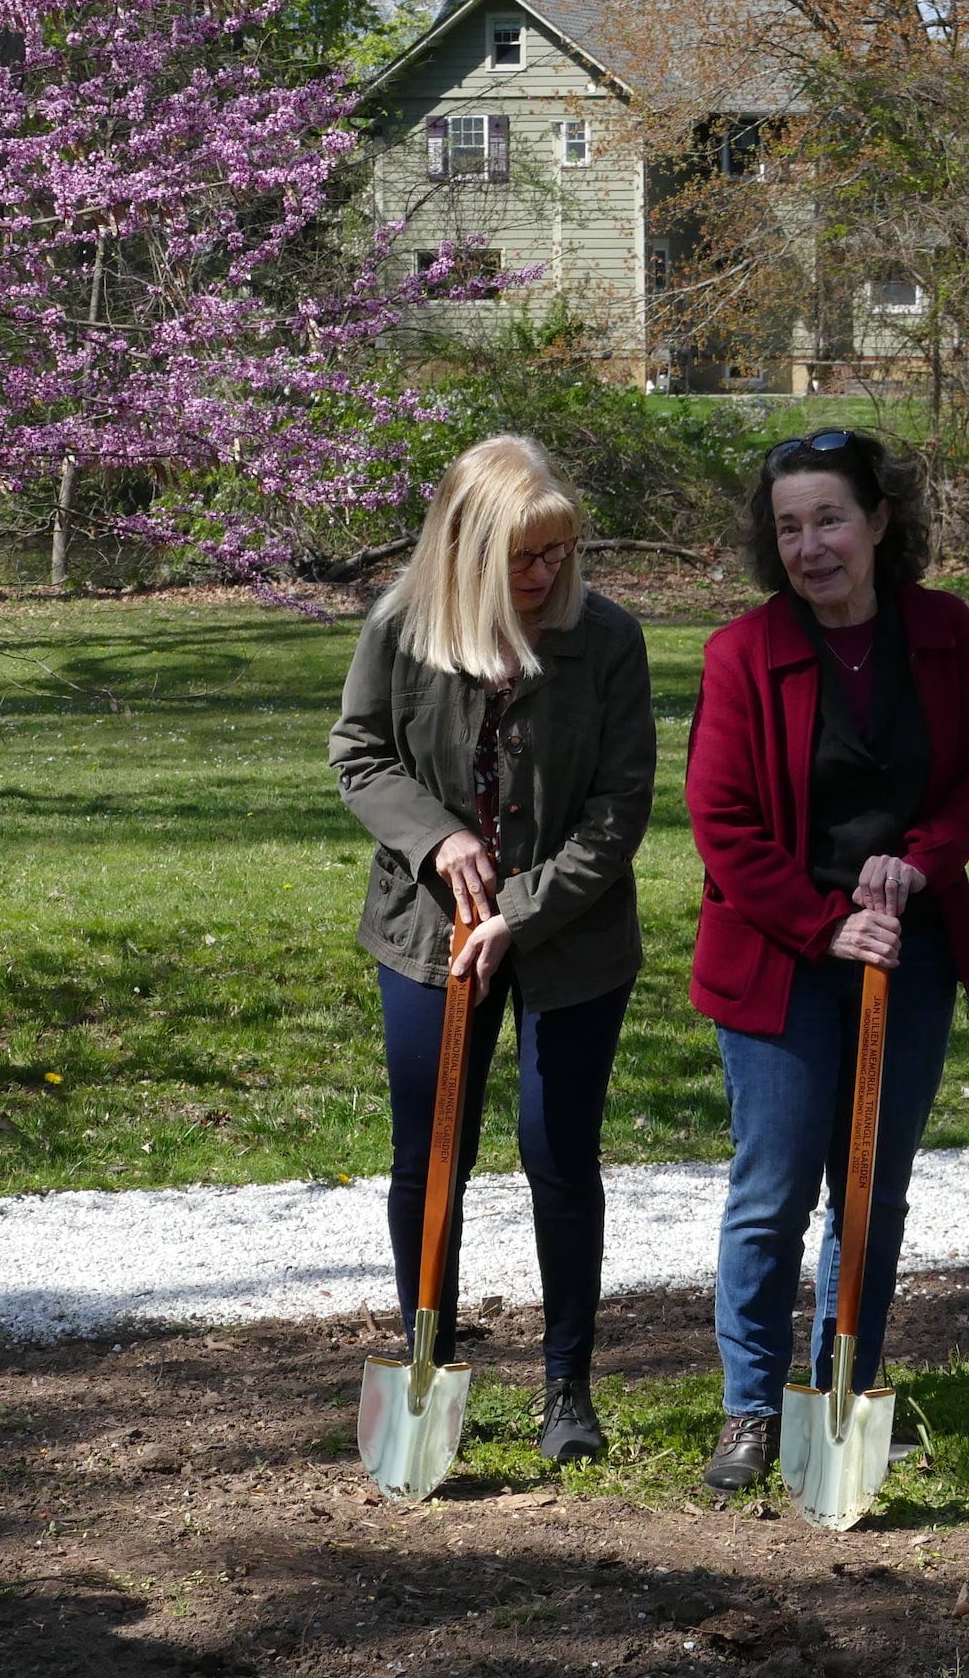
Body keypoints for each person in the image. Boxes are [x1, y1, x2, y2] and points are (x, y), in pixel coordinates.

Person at [687, 429, 969, 1493]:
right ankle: (750, 1405)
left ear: (880, 521)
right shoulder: (741, 654)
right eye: (788, 527)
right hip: (779, 957)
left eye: (829, 519)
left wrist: (918, 868)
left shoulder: (944, 632)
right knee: (770, 1192)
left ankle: (844, 1385)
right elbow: (721, 821)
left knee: (872, 1189)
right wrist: (825, 921)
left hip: (907, 956)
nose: (810, 546)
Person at [329, 434, 656, 1465]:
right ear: (465, 547)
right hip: (428, 937)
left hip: (572, 941)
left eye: (556, 553)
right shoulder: (400, 628)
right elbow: (361, 750)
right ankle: (425, 1364)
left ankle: (569, 1391)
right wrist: (437, 837)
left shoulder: (606, 640)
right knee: (432, 1158)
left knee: (560, 1156)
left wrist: (524, 905)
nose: (542, 575)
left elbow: (620, 804)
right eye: (521, 557)